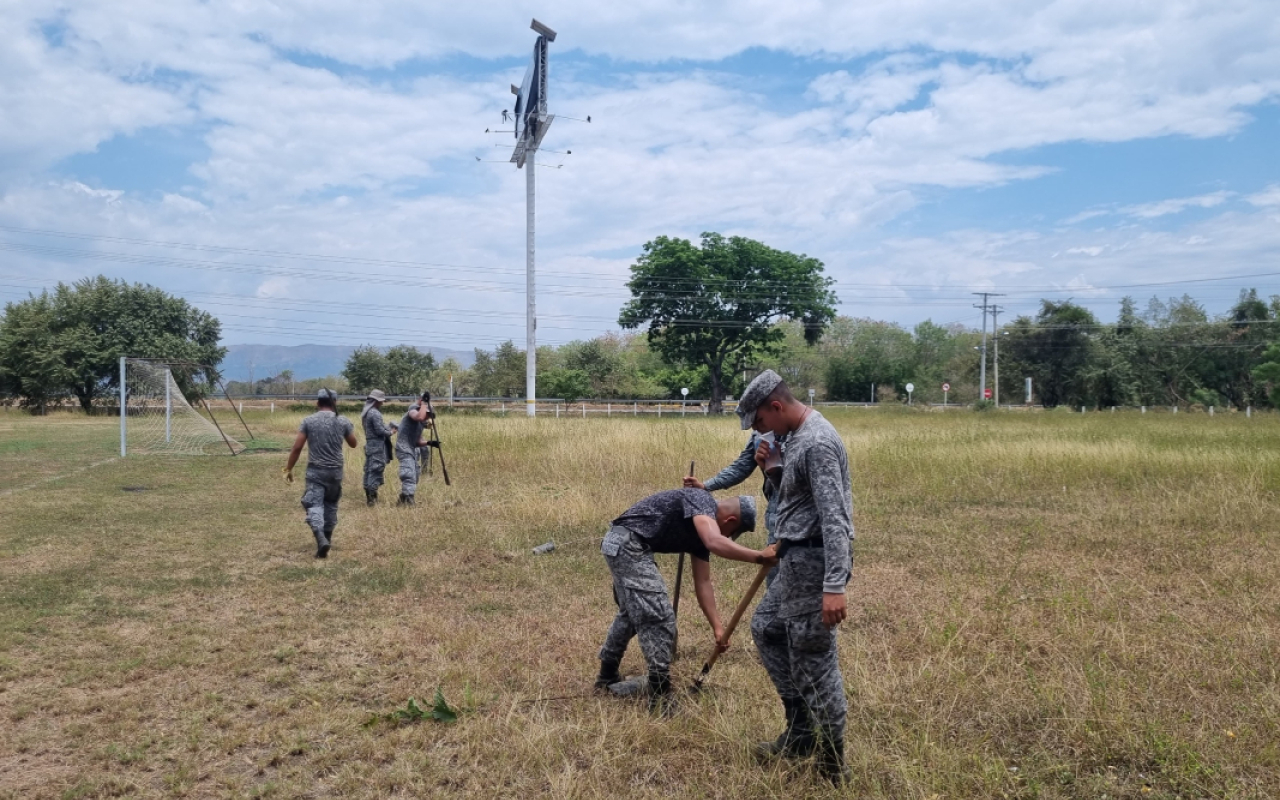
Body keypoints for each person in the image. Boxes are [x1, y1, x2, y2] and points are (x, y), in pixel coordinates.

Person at [741, 370, 854, 784]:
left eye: (760, 423)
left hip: (813, 565)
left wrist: (835, 586)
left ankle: (831, 763)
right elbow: (798, 500)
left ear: (776, 406)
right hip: (792, 559)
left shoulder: (817, 442)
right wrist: (772, 471)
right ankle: (801, 730)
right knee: (767, 629)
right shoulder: (793, 440)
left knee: (815, 662)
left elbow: (835, 518)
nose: (760, 432)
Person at [595, 488, 777, 712]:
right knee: (658, 616)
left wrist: (718, 628)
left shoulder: (700, 537)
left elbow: (704, 583)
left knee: (632, 613)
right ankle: (661, 699)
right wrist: (759, 556)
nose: (727, 538)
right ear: (731, 519)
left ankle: (607, 676)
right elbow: (714, 540)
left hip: (622, 544)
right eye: (730, 533)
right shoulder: (702, 501)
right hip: (627, 544)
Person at [684, 431, 785, 586]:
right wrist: (706, 486)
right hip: (776, 513)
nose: (754, 426)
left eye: (757, 419)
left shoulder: (801, 432)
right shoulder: (760, 433)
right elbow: (742, 466)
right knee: (775, 575)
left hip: (801, 515)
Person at [283, 388, 358, 558]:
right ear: (335, 403)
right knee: (331, 504)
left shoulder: (308, 421)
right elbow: (353, 443)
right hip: (336, 471)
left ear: (317, 403)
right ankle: (328, 537)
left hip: (316, 471)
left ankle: (320, 537)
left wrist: (289, 468)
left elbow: (297, 447)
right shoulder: (343, 420)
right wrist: (344, 427)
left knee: (314, 504)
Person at [395, 391, 434, 506]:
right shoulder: (413, 411)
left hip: (412, 448)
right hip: (403, 447)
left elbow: (417, 441)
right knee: (408, 473)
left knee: (416, 475)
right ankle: (409, 500)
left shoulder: (421, 424)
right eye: (427, 414)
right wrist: (424, 403)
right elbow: (419, 416)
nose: (427, 417)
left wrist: (429, 442)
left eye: (429, 415)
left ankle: (403, 498)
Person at [360, 389, 398, 505]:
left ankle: (369, 495)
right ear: (377, 401)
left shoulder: (366, 413)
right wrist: (391, 432)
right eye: (381, 401)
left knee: (369, 469)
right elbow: (380, 431)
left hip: (370, 444)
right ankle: (372, 498)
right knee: (376, 469)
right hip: (377, 445)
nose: (382, 403)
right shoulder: (375, 413)